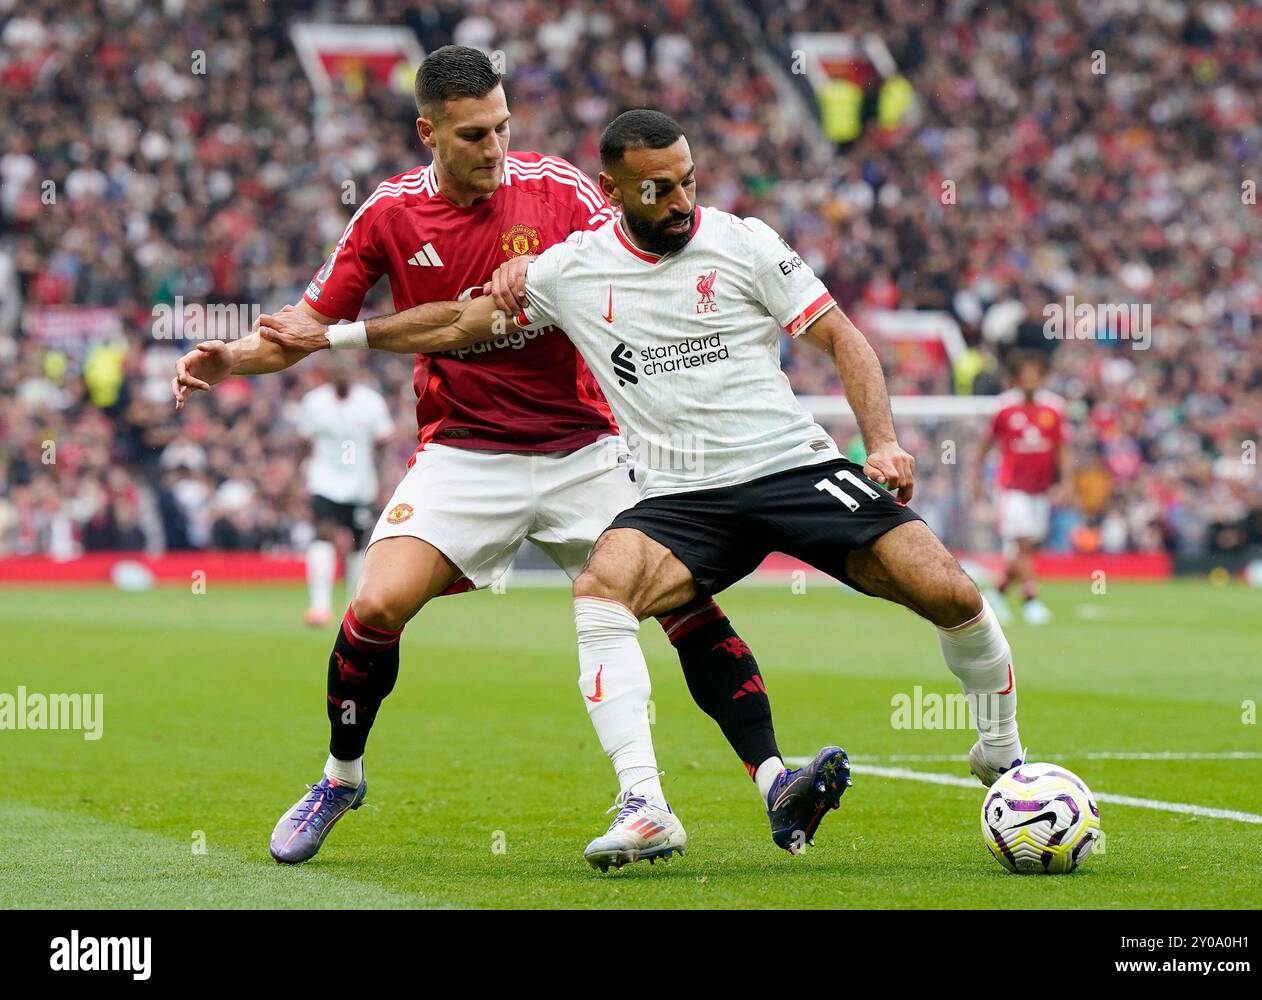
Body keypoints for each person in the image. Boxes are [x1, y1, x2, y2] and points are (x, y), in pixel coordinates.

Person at [256, 109, 1028, 847]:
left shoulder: (746, 242)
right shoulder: (572, 270)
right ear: (614, 190)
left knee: (952, 594)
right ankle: (646, 804)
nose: (682, 200)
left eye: (689, 179)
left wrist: (883, 443)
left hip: (793, 467)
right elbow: (460, 323)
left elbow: (843, 339)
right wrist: (339, 335)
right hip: (681, 497)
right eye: (659, 188)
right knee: (603, 588)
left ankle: (1001, 755)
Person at [173, 49, 833, 872]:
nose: (494, 148)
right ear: (430, 133)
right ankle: (341, 777)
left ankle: (761, 778)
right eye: (475, 134)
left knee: (682, 603)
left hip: (586, 446)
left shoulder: (560, 190)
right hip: (464, 452)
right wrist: (231, 359)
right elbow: (305, 329)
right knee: (376, 604)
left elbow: (635, 248)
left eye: (504, 128)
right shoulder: (387, 215)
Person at [972, 351, 1073, 625]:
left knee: (1025, 550)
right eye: (1025, 373)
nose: (1030, 379)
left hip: (1040, 489)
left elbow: (1063, 449)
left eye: (1035, 373)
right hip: (1011, 488)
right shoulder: (1003, 408)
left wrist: (1066, 482)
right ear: (1016, 378)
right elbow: (983, 449)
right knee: (1024, 543)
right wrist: (976, 487)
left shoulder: (1054, 408)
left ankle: (996, 595)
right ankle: (1032, 601)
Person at [296, 359, 396, 626]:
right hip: (324, 481)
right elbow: (303, 442)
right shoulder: (314, 402)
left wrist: (384, 482)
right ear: (329, 373)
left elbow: (384, 444)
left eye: (346, 371)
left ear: (354, 374)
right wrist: (298, 479)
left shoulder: (371, 402)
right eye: (337, 371)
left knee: (357, 544)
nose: (341, 375)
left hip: (361, 485)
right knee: (322, 536)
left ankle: (354, 607)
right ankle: (319, 606)